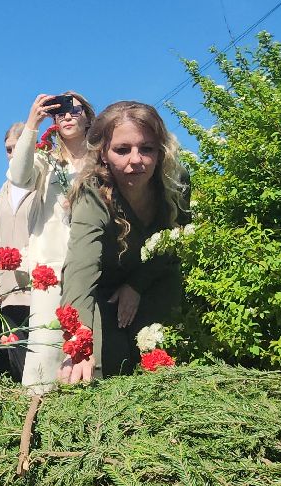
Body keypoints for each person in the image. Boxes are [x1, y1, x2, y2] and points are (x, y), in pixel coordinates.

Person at [58, 102, 191, 383]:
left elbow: (179, 244)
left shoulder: (176, 182)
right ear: (103, 153)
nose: (136, 160)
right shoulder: (91, 193)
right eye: (122, 150)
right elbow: (81, 268)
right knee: (103, 368)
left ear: (160, 151)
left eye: (147, 148)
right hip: (102, 290)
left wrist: (137, 285)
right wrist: (78, 339)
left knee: (163, 364)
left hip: (157, 279)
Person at [6, 92, 95, 389]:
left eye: (74, 110)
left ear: (88, 117)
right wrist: (32, 123)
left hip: (91, 265)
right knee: (45, 353)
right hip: (52, 269)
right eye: (60, 112)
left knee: (85, 348)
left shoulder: (101, 159)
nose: (67, 116)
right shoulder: (46, 158)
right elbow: (18, 176)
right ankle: (39, 418)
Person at [0, 124, 35, 384]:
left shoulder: (41, 182)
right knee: (17, 356)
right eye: (8, 149)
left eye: (18, 147)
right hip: (9, 289)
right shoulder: (3, 192)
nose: (13, 154)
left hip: (39, 284)